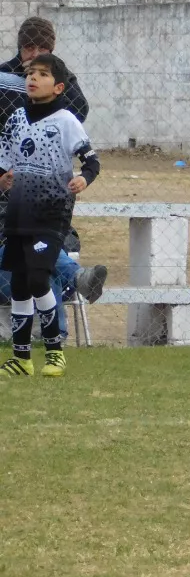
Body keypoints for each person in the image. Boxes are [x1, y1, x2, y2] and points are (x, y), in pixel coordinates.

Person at [0, 54, 100, 377]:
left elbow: (92, 163)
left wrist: (84, 178)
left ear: (58, 87)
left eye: (42, 74)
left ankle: (55, 352)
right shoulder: (15, 118)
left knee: (38, 277)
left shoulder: (67, 121)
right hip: (19, 213)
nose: (33, 78)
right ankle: (22, 359)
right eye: (30, 72)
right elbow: (4, 163)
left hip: (52, 214)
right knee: (18, 284)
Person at [0, 17, 90, 122]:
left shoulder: (60, 74)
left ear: (50, 51)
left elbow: (80, 111)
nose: (35, 55)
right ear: (20, 48)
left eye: (42, 49)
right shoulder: (4, 73)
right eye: (30, 48)